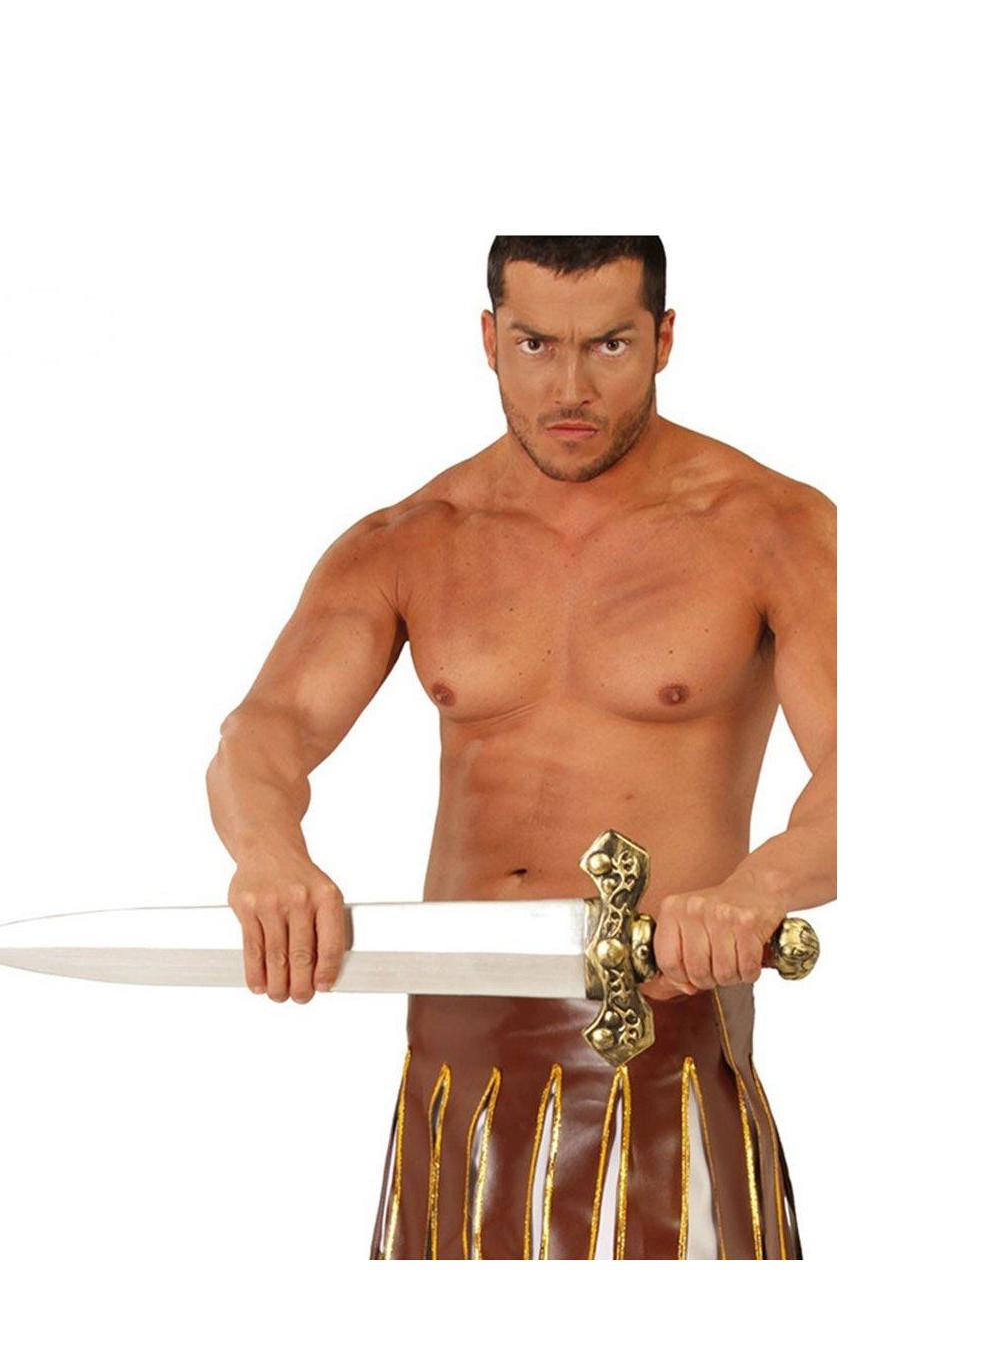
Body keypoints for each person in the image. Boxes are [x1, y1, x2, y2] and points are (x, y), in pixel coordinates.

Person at [204, 235, 836, 1259]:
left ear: (665, 339)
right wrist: (269, 857)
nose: (570, 388)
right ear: (490, 338)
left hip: (664, 1050)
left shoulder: (772, 527)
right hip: (451, 1064)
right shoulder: (415, 534)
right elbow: (265, 732)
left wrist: (758, 888)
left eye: (610, 345)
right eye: (537, 344)